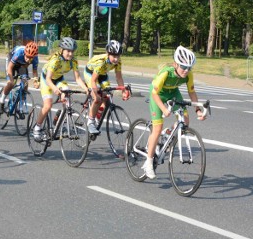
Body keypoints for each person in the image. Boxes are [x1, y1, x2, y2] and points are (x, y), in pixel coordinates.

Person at [143, 45, 207, 179]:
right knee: (157, 128)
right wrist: (164, 109)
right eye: (183, 67)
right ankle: (148, 162)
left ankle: (167, 134)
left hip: (173, 93)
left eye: (189, 67)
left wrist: (197, 110)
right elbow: (154, 94)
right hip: (158, 95)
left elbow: (192, 92)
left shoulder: (188, 75)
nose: (186, 70)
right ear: (175, 64)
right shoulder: (166, 73)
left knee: (185, 122)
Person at [33, 37, 88, 141]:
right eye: (68, 51)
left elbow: (78, 78)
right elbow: (48, 79)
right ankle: (37, 128)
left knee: (67, 95)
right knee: (48, 105)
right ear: (62, 50)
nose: (71, 54)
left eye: (72, 51)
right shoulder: (55, 60)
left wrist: (86, 89)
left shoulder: (74, 61)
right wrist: (55, 89)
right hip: (46, 80)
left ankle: (60, 122)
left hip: (59, 79)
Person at [84, 39, 130, 134]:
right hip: (91, 73)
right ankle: (90, 122)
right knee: (97, 98)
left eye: (118, 56)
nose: (116, 59)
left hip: (102, 74)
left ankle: (97, 115)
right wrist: (95, 93)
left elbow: (119, 77)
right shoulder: (101, 62)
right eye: (114, 56)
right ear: (108, 54)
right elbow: (93, 80)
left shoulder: (118, 62)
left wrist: (123, 90)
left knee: (107, 95)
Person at [0, 41, 40, 113]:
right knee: (11, 83)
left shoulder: (35, 58)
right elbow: (10, 68)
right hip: (11, 61)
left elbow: (35, 72)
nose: (28, 59)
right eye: (27, 56)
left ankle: (20, 107)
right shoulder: (19, 53)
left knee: (25, 84)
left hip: (22, 65)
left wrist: (36, 82)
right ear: (25, 53)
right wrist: (11, 80)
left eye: (31, 58)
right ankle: (1, 101)